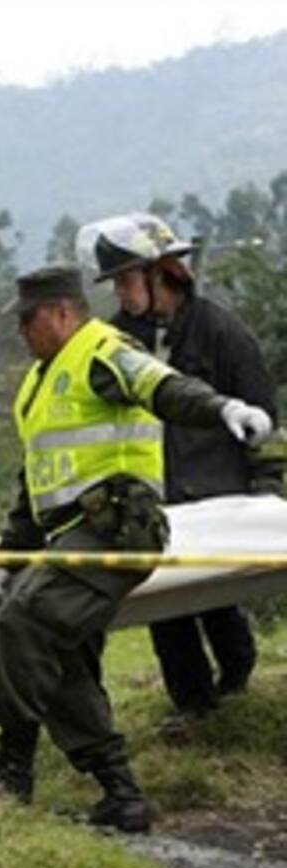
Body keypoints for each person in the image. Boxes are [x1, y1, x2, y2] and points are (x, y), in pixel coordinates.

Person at [0, 264, 271, 833]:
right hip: (67, 535)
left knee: (24, 623)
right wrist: (8, 557)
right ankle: (120, 793)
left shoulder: (102, 351)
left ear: (63, 313)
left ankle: (13, 766)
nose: (21, 331)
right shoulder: (37, 384)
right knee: (60, 651)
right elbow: (35, 483)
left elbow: (162, 386)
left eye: (29, 319)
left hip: (117, 528)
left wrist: (224, 409)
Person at [77, 213, 283, 719]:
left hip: (219, 497)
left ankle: (236, 670)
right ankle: (192, 703)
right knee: (165, 607)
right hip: (154, 496)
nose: (121, 293)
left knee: (214, 597)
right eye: (117, 283)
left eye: (127, 280)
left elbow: (264, 417)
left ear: (160, 272)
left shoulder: (219, 330)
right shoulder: (116, 341)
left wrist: (266, 494)